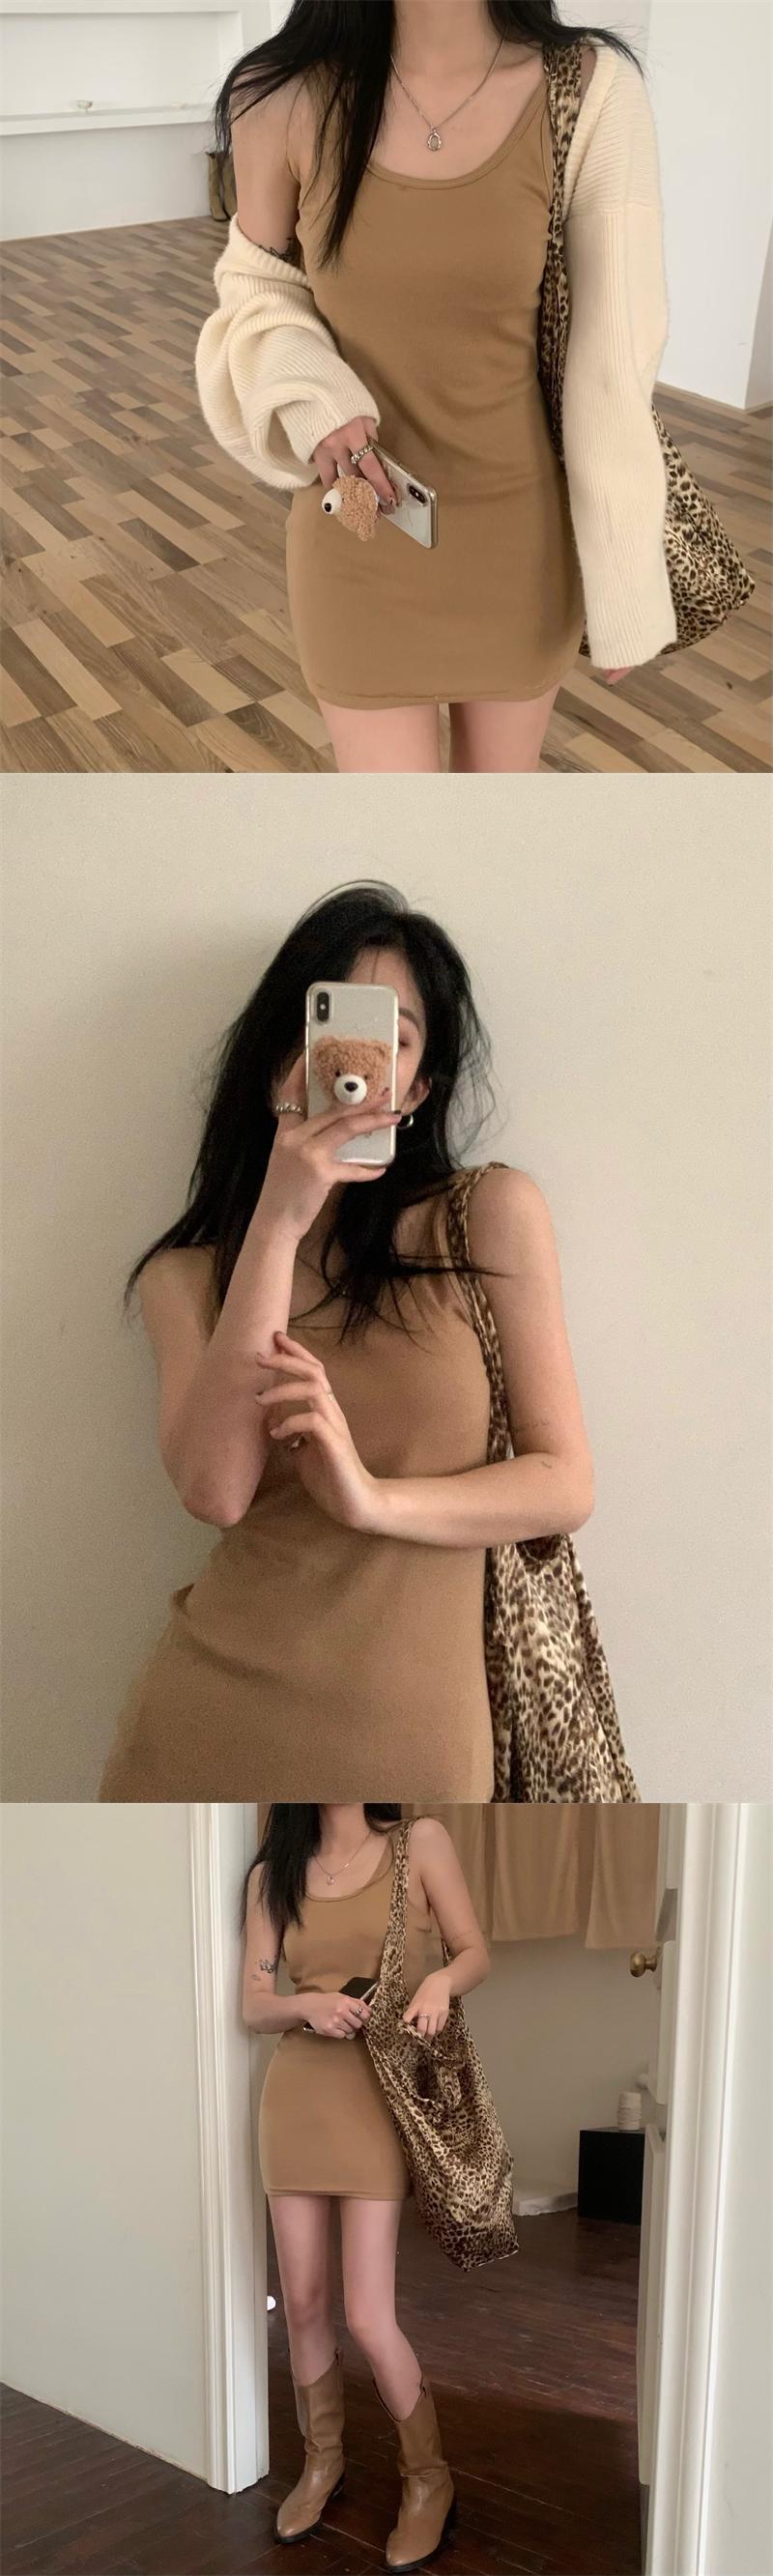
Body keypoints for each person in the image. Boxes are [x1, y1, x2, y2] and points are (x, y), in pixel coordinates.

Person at [100, 883, 593, 1802]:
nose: (355, 1067)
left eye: (392, 1038)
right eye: (328, 1027)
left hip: (414, 1748)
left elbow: (563, 1484)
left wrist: (370, 1500)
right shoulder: (187, 1277)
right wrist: (278, 1224)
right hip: (206, 1729)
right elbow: (215, 1492)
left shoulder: (486, 1216)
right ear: (278, 1062)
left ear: (421, 1087)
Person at [195, 0, 674, 771]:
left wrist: (625, 574)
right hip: (359, 530)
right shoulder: (280, 94)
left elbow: (616, 351)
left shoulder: (589, 88)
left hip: (519, 545)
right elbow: (256, 285)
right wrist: (312, 394)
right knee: (395, 827)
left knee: (489, 825)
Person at [244, 1803, 491, 2566]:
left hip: (379, 2101)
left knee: (368, 2315)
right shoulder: (273, 1873)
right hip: (295, 2100)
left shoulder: (420, 1841)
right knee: (303, 2302)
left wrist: (442, 1982)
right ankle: (323, 2461)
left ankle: (428, 2478)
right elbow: (253, 2005)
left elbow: (475, 1951)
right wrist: (306, 2004)